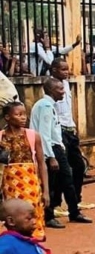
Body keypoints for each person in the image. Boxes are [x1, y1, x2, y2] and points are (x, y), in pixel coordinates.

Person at [31, 77, 89, 229]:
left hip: (56, 147)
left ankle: (74, 211)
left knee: (65, 180)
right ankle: (49, 215)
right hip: (51, 149)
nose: (63, 92)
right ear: (51, 90)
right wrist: (51, 157)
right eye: (60, 89)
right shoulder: (45, 106)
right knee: (53, 182)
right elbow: (44, 134)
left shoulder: (49, 105)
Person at [49, 59, 93, 214]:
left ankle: (76, 199)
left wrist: (73, 126)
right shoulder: (51, 87)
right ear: (53, 70)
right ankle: (56, 204)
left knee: (79, 165)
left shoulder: (65, 85)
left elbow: (68, 109)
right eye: (62, 69)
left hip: (70, 129)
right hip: (59, 130)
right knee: (62, 169)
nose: (66, 72)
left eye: (67, 69)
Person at [1, 102, 49, 240]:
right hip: (9, 186)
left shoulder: (33, 136)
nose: (23, 118)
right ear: (7, 117)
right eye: (18, 114)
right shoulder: (1, 137)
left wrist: (45, 190)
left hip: (31, 186)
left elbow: (41, 163)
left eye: (24, 114)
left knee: (31, 217)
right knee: (13, 217)